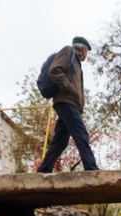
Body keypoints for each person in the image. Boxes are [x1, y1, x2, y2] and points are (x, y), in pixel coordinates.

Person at [37, 36, 100, 173]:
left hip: (70, 103)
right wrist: (69, 88)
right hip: (67, 102)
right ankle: (91, 167)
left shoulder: (76, 63)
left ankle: (43, 170)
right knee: (81, 133)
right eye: (87, 51)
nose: (86, 55)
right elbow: (54, 70)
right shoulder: (68, 51)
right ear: (82, 49)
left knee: (60, 141)